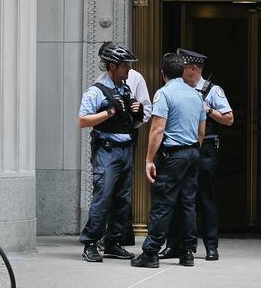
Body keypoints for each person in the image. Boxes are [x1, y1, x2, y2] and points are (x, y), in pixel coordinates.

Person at [131, 53, 206, 268]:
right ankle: (187, 253)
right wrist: (192, 150)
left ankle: (151, 252)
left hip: (173, 155)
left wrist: (148, 159)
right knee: (187, 204)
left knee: (163, 203)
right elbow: (201, 131)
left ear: (162, 73)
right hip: (192, 152)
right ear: (182, 72)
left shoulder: (163, 94)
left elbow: (157, 129)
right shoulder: (196, 95)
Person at [158, 48, 233, 261]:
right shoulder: (177, 88)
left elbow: (228, 119)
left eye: (183, 67)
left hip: (205, 149)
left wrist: (207, 110)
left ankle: (211, 246)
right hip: (181, 148)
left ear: (193, 68)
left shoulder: (212, 90)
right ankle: (173, 244)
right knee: (176, 197)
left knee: (206, 197)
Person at [78, 43, 146, 263]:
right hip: (106, 151)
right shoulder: (96, 91)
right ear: (112, 66)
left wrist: (137, 112)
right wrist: (109, 111)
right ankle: (90, 243)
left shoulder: (125, 89)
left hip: (126, 150)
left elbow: (131, 123)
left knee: (121, 199)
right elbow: (83, 120)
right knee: (103, 197)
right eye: (125, 65)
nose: (129, 69)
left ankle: (113, 243)